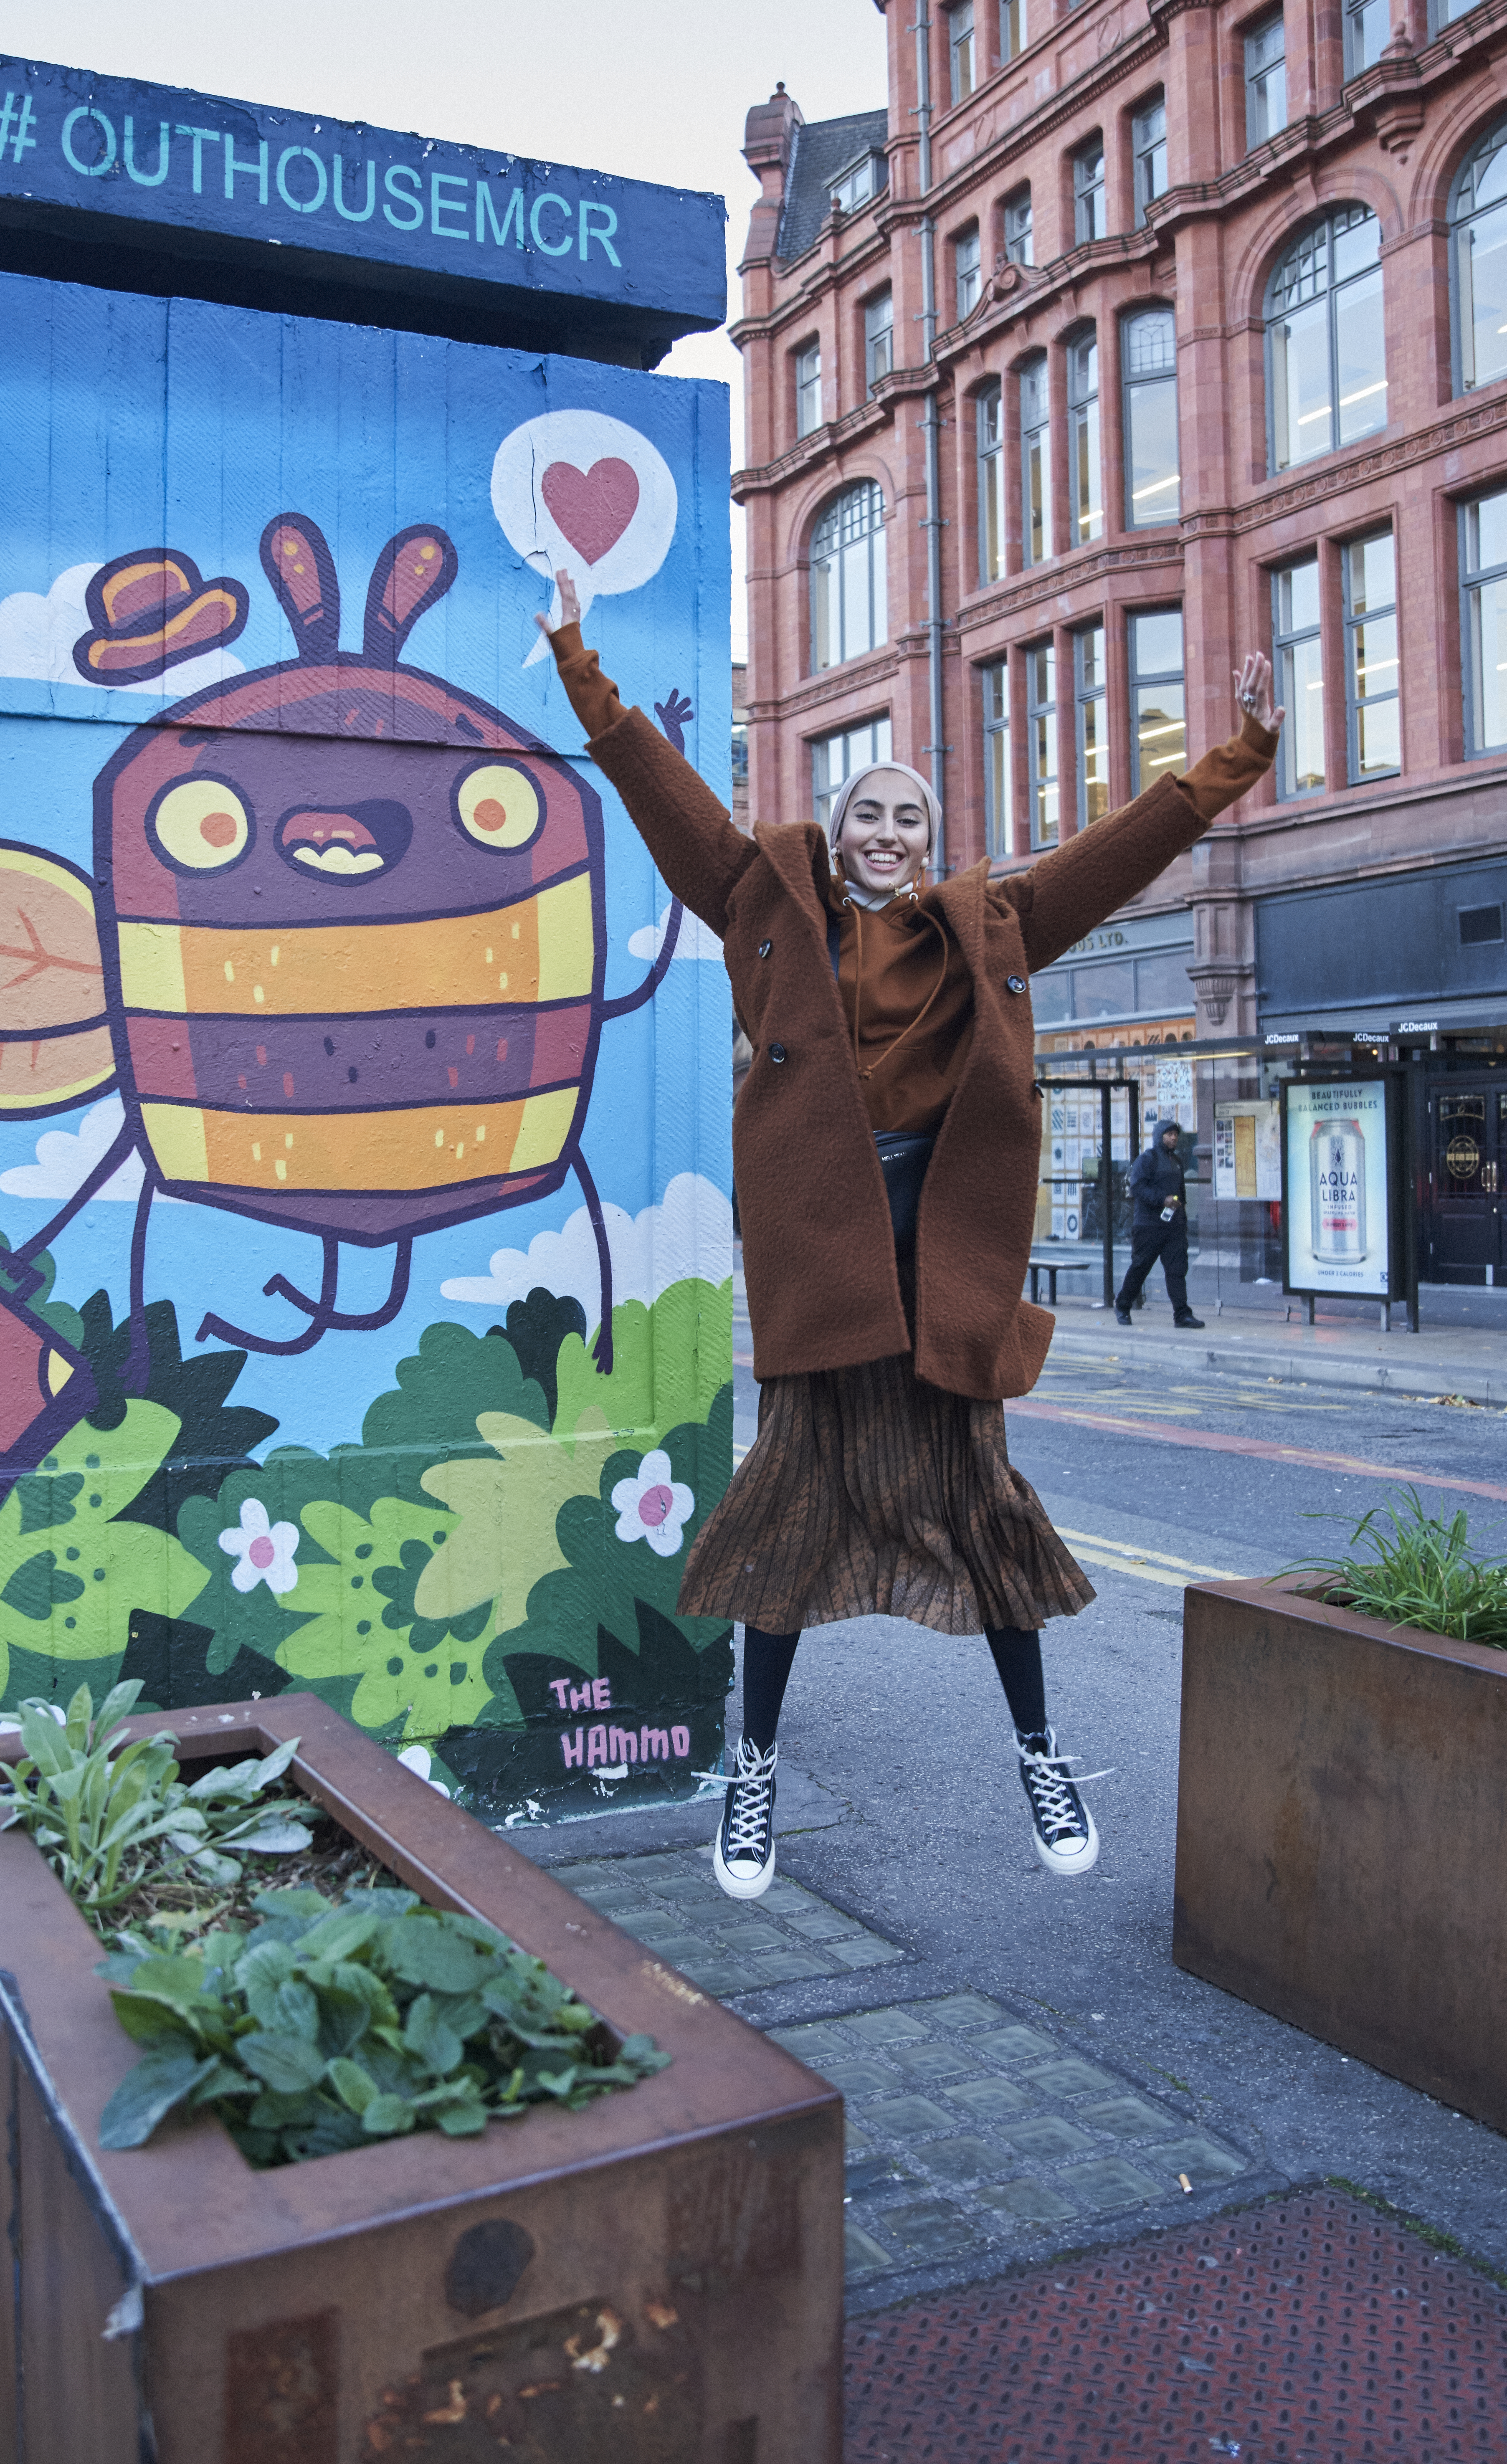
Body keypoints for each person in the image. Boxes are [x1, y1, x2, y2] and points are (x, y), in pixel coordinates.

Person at [538, 570, 1280, 1901]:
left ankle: (1040, 1752)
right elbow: (669, 801)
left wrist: (1235, 761)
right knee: (788, 1517)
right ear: (837, 828)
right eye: (869, 814)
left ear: (931, 840)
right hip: (829, 1272)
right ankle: (750, 1776)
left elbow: (1114, 858)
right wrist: (578, 661)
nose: (889, 832)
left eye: (910, 818)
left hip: (942, 1274)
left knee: (983, 1511)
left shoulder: (987, 926)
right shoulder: (768, 903)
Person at [1116, 1120, 1202, 1328]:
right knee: (1141, 1267)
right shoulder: (1147, 1160)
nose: (1174, 1138)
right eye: (1169, 1134)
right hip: (1149, 1226)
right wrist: (1162, 1199)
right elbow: (1137, 1189)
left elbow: (1181, 1194)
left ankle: (1182, 1315)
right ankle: (1123, 1305)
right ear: (1159, 1136)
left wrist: (1182, 1221)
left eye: (1176, 1135)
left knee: (1177, 1271)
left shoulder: (1178, 1162)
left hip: (1174, 1227)